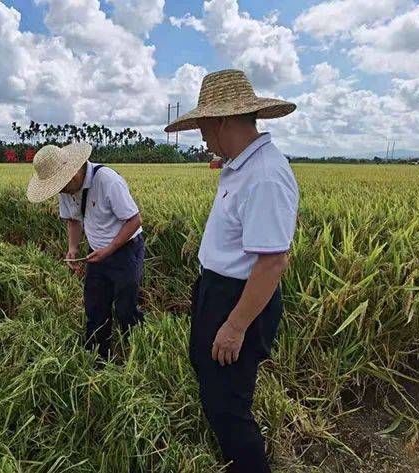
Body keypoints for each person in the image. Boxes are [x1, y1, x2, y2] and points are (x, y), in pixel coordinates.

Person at [164, 69, 299, 473]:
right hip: (219, 291)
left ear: (222, 121)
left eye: (204, 127)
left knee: (229, 405)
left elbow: (272, 261)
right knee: (213, 383)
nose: (203, 138)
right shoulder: (240, 166)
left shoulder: (265, 176)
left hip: (239, 300)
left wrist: (235, 325)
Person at [26, 143, 145, 360]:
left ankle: (137, 353)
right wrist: (72, 248)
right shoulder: (66, 189)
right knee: (95, 306)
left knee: (125, 308)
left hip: (125, 251)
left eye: (60, 186)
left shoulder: (108, 181)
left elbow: (134, 220)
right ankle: (97, 358)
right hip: (97, 253)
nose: (59, 191)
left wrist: (109, 249)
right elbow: (73, 219)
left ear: (72, 174)